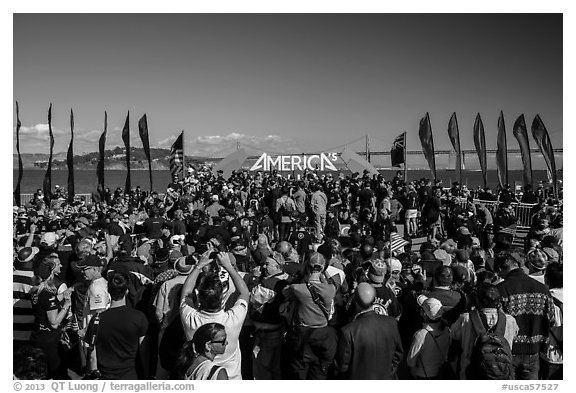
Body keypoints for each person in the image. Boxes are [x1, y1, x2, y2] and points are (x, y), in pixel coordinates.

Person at [180, 250, 250, 380]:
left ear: (199, 299)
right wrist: (228, 266)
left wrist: (198, 266)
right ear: (222, 298)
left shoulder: (190, 318)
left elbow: (186, 294)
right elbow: (244, 293)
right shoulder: (233, 319)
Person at [494, 252, 555, 380]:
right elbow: (552, 319)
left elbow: (496, 322)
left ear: (500, 269)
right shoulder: (543, 289)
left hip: (508, 350)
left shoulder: (501, 289)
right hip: (534, 350)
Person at [282, 252, 337, 380]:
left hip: (303, 335)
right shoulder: (331, 289)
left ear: (307, 266)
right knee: (319, 373)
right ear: (323, 268)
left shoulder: (297, 288)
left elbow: (285, 292)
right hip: (323, 334)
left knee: (300, 373)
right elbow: (329, 284)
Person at [334, 282, 403, 379]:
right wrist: (388, 372)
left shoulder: (348, 331)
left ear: (355, 302)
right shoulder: (391, 323)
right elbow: (398, 355)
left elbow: (342, 366)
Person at [451, 283, 519, 379]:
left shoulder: (466, 318)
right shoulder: (510, 320)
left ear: (478, 300)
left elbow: (454, 336)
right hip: (501, 374)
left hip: (471, 374)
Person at [95, 271, 149, 379]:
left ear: (109, 292)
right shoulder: (139, 317)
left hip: (105, 375)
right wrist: (146, 375)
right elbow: (143, 350)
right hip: (130, 374)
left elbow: (92, 352)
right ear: (127, 291)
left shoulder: (97, 319)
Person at [30, 255, 73, 379]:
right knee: (56, 374)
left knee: (39, 374)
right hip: (49, 341)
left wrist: (61, 296)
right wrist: (66, 305)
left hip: (37, 336)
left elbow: (46, 305)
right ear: (49, 273)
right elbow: (54, 322)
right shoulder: (47, 294)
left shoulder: (34, 291)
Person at [406, 295, 452, 379]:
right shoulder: (447, 330)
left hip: (423, 375)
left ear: (423, 313)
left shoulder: (420, 334)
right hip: (441, 373)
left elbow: (410, 361)